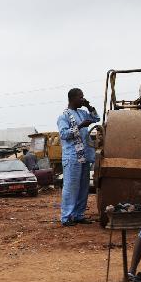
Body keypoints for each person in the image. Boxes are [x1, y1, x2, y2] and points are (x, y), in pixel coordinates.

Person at [56, 88, 99, 226]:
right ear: (72, 98)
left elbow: (96, 118)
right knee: (71, 187)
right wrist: (80, 126)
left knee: (83, 187)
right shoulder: (64, 116)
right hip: (72, 157)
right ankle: (66, 217)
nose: (82, 99)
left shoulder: (82, 112)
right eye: (80, 97)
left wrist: (88, 106)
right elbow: (64, 134)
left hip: (85, 156)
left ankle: (78, 215)